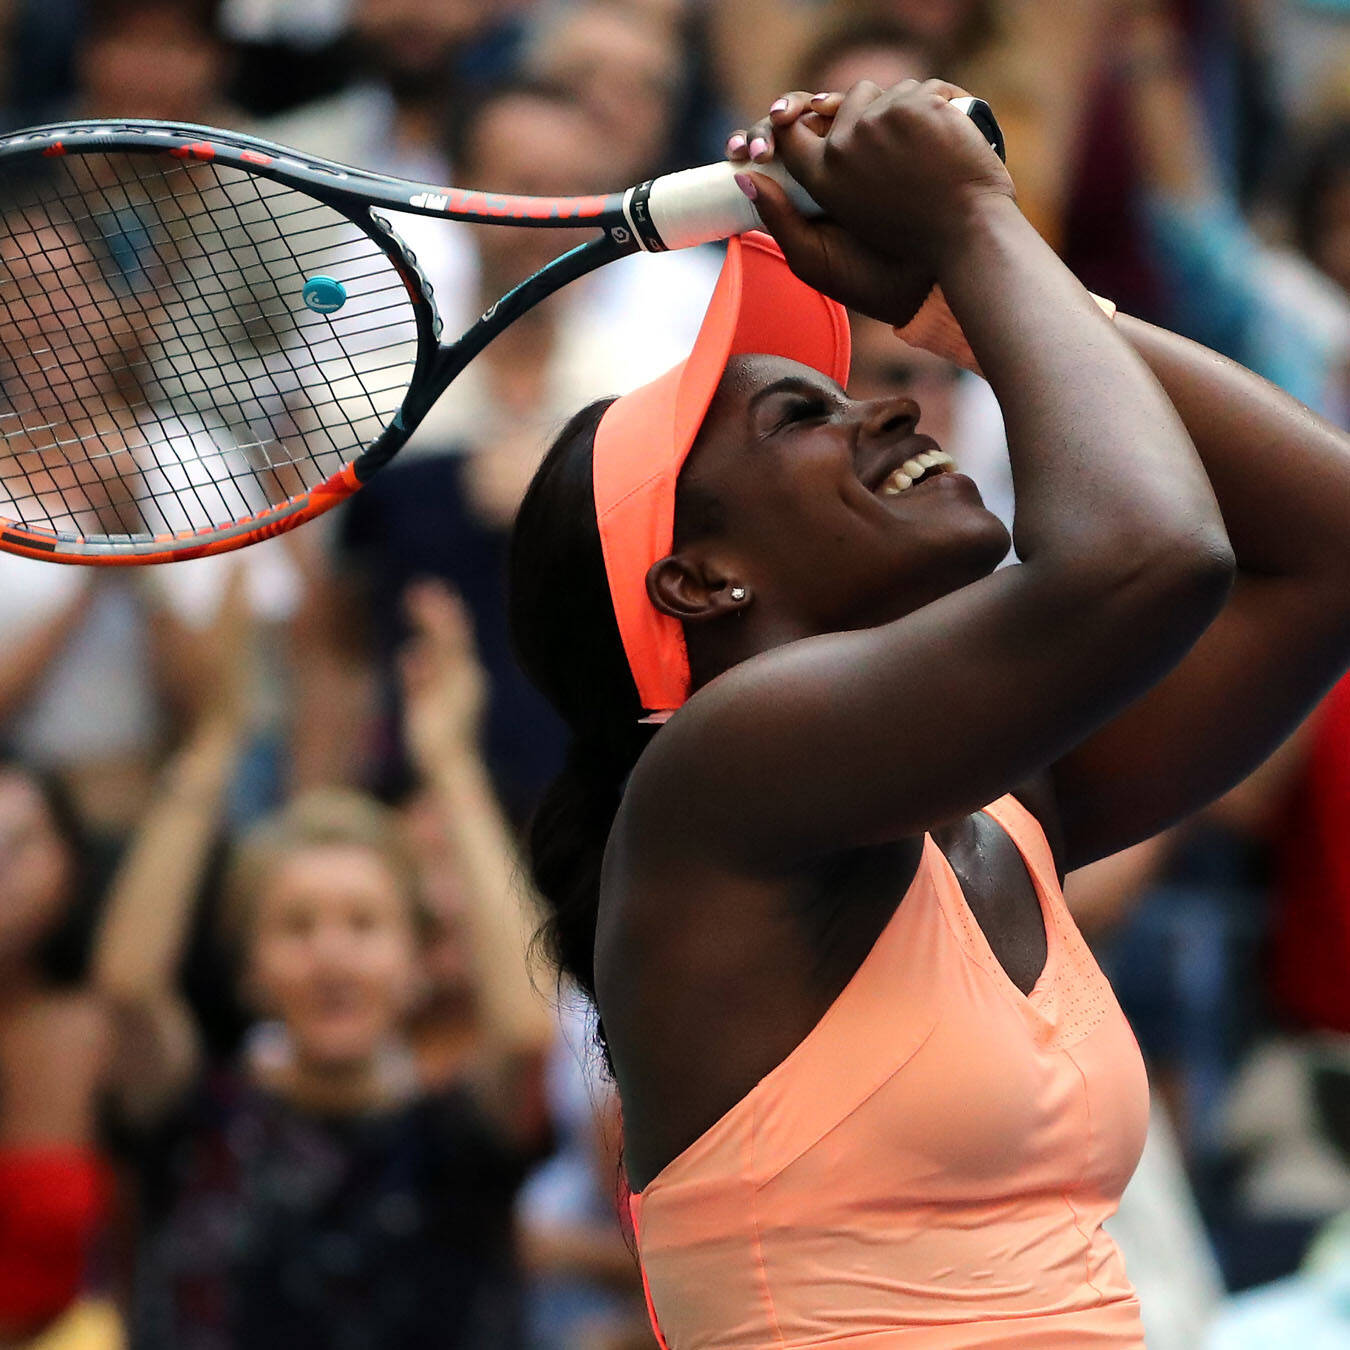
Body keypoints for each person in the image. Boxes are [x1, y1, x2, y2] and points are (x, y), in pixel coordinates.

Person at [506, 78, 1350, 1346]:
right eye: (804, 416)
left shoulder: (1002, 814)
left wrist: (964, 304)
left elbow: (1329, 547)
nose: (890, 405)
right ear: (699, 580)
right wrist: (975, 223)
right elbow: (1152, 553)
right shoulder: (717, 772)